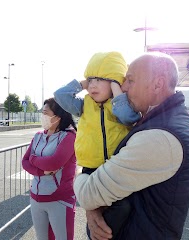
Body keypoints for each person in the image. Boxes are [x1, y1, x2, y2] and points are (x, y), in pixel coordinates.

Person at [74, 52, 189, 240]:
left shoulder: (160, 138)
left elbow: (88, 193)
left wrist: (81, 177)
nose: (123, 87)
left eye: (130, 81)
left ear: (158, 84)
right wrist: (94, 207)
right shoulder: (159, 122)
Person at [54, 52, 141, 238]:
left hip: (115, 168)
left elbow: (128, 117)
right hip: (90, 168)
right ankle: (95, 233)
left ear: (115, 82)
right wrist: (81, 83)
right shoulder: (83, 105)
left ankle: (104, 233)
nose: (92, 85)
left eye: (100, 79)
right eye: (90, 79)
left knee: (122, 205)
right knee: (94, 205)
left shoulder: (121, 106)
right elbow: (59, 95)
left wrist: (116, 90)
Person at [22, 97, 77, 240]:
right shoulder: (38, 136)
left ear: (57, 117)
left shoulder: (69, 137)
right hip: (36, 198)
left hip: (59, 200)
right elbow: (24, 162)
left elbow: (53, 163)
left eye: (46, 113)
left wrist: (33, 159)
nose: (43, 116)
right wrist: (40, 171)